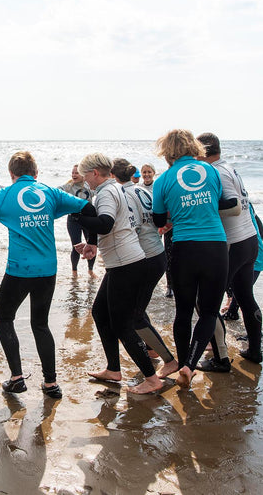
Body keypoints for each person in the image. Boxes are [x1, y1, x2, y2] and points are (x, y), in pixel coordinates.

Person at [0, 151, 96, 399]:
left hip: (19, 271)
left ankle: (17, 378)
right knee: (40, 324)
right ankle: (51, 384)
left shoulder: (3, 195)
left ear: (11, 174)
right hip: (47, 270)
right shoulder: (50, 192)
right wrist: (91, 240)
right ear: (36, 172)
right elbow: (87, 206)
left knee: (4, 318)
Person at [73, 154, 168, 394]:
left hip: (127, 263)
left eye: (85, 175)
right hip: (122, 262)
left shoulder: (106, 192)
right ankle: (113, 369)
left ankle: (152, 379)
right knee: (99, 312)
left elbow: (105, 223)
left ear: (94, 172)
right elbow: (111, 226)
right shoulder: (113, 188)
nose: (84, 180)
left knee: (123, 324)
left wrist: (75, 215)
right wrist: (91, 244)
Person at [151, 129, 235, 387]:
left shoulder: (162, 180)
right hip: (215, 247)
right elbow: (219, 202)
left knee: (184, 311)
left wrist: (175, 213)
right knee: (209, 311)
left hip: (184, 249)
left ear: (167, 151)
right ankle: (189, 365)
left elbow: (157, 219)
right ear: (193, 146)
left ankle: (182, 361)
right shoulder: (211, 171)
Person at [196, 133, 263, 367]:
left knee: (208, 300)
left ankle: (220, 358)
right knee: (245, 297)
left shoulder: (218, 171)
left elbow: (233, 206)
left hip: (234, 243)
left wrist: (204, 209)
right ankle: (255, 350)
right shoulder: (229, 167)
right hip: (249, 240)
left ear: (203, 151)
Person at [111, 158, 178, 378]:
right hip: (157, 254)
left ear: (113, 176)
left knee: (135, 316)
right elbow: (164, 218)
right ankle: (151, 349)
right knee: (138, 308)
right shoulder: (143, 191)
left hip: (146, 259)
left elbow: (131, 227)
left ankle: (169, 360)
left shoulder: (124, 194)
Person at [58, 165, 96, 278]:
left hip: (88, 219)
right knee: (76, 246)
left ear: (83, 175)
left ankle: (90, 270)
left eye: (76, 173)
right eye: (73, 173)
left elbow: (99, 191)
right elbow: (56, 191)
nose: (74, 175)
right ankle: (74, 271)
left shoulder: (89, 186)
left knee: (91, 244)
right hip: (73, 220)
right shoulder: (68, 186)